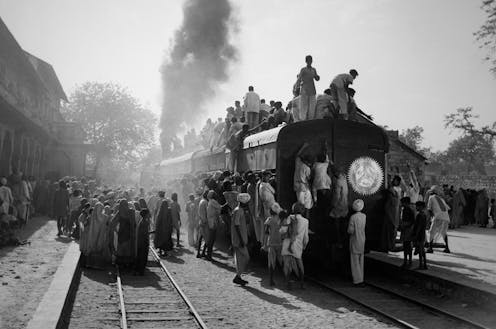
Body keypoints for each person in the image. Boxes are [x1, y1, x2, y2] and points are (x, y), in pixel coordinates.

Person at [280, 203, 309, 289]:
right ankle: (302, 283)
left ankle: (288, 283)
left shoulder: (289, 217)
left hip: (287, 243)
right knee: (300, 264)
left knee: (287, 264)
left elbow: (282, 231)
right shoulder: (305, 221)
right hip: (298, 245)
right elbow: (306, 237)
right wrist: (304, 246)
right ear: (303, 210)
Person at [231, 193, 251, 285]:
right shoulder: (240, 211)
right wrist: (241, 240)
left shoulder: (237, 210)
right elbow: (237, 225)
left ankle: (238, 276)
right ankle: (238, 276)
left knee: (239, 259)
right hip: (239, 239)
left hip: (237, 239)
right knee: (246, 258)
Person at [110, 200, 137, 266]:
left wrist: (114, 230)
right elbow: (134, 224)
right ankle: (128, 263)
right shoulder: (131, 212)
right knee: (128, 248)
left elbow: (112, 222)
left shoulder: (120, 212)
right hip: (130, 233)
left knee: (121, 247)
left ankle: (121, 263)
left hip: (122, 233)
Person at [312, 142, 332, 228]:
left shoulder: (315, 165)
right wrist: (325, 148)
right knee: (326, 208)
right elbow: (327, 158)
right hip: (326, 187)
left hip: (319, 188)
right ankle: (327, 224)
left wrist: (315, 200)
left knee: (320, 209)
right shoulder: (325, 164)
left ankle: (320, 225)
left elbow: (314, 189)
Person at [426, 186, 451, 254]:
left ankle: (430, 248)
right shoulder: (441, 199)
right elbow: (448, 208)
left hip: (438, 217)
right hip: (446, 218)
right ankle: (447, 248)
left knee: (431, 232)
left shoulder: (431, 197)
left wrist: (431, 218)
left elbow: (429, 209)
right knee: (444, 233)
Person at [262, 203, 282, 286]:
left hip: (271, 243)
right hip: (280, 242)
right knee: (282, 261)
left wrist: (264, 244)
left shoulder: (269, 220)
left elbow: (266, 233)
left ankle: (271, 280)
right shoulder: (281, 219)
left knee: (271, 262)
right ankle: (287, 280)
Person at [347, 199, 366, 286]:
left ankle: (357, 280)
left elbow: (350, 231)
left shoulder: (353, 217)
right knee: (361, 260)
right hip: (362, 239)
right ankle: (361, 278)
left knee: (355, 262)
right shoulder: (364, 216)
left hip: (354, 240)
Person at [85, 202, 108, 269]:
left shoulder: (91, 216)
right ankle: (98, 265)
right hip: (101, 237)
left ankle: (90, 264)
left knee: (92, 249)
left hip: (92, 237)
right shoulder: (105, 217)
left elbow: (86, 225)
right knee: (99, 249)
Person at [382, 175, 402, 251]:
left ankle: (391, 245)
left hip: (394, 213)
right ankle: (389, 245)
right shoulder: (391, 192)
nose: (393, 181)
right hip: (390, 214)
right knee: (389, 231)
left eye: (394, 180)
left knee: (393, 231)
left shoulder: (397, 191)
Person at [297, 55, 320, 120]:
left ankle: (311, 119)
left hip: (312, 89)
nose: (309, 61)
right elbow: (299, 78)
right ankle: (302, 120)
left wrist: (317, 77)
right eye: (308, 60)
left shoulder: (313, 69)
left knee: (312, 106)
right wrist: (297, 87)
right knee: (304, 106)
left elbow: (316, 78)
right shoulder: (303, 69)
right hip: (304, 89)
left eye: (311, 60)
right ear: (306, 61)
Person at [294, 142, 313, 216]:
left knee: (300, 206)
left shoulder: (298, 163)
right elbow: (309, 178)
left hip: (298, 187)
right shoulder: (307, 168)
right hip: (305, 187)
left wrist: (303, 147)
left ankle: (301, 221)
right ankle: (306, 221)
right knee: (307, 206)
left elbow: (297, 155)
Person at [206, 190, 223, 260]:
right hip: (213, 221)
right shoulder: (213, 201)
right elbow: (220, 207)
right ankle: (209, 255)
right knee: (212, 239)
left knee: (211, 238)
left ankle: (208, 254)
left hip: (211, 221)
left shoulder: (210, 201)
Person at [400, 197, 415, 268]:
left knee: (407, 246)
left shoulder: (408, 210)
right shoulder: (408, 209)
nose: (401, 204)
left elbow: (412, 221)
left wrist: (405, 226)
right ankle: (407, 261)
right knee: (406, 246)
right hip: (406, 229)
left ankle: (408, 261)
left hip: (407, 230)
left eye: (402, 203)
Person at [135, 208, 151, 275]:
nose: (149, 214)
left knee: (140, 256)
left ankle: (139, 270)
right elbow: (145, 233)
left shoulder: (142, 221)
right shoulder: (145, 222)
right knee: (143, 256)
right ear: (146, 215)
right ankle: (141, 271)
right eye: (148, 213)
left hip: (140, 242)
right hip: (143, 242)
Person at [413, 201, 428, 270]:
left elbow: (418, 226)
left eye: (417, 206)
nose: (416, 207)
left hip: (419, 234)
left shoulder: (419, 215)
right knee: (422, 250)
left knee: (420, 250)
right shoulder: (424, 215)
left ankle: (421, 265)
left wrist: (416, 235)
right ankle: (424, 264)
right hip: (423, 234)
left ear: (421, 207)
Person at [196, 191, 209, 258]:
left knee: (200, 238)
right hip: (205, 222)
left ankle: (198, 253)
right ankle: (203, 252)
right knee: (207, 238)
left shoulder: (201, 201)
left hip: (201, 221)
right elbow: (207, 212)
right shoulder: (206, 202)